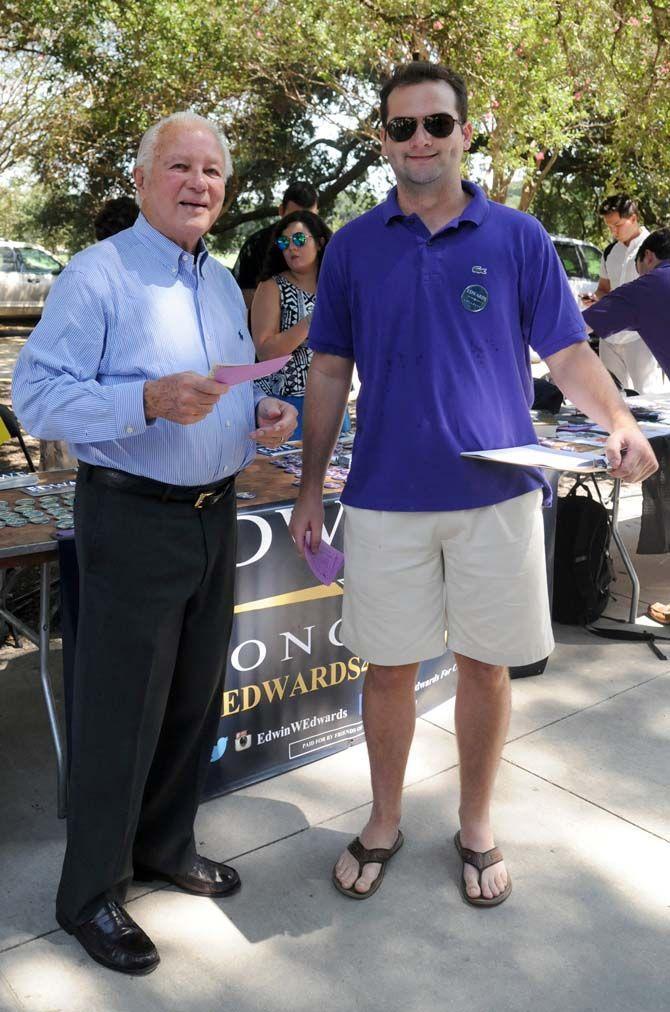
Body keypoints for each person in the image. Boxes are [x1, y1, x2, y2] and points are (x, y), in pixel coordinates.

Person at [289, 61, 657, 908]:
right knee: (387, 671)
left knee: (486, 669)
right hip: (382, 495)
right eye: (403, 126)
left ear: (462, 133)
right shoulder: (351, 246)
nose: (420, 140)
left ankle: (478, 824)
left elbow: (568, 354)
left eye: (437, 124)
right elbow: (330, 370)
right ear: (382, 138)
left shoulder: (518, 237)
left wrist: (619, 422)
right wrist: (313, 488)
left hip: (496, 496)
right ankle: (383, 820)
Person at [12, 111, 297, 976]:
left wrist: (261, 416)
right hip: (133, 517)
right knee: (119, 710)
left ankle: (166, 847)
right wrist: (142, 402)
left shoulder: (218, 284)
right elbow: (38, 401)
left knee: (190, 698)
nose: (199, 184)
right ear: (142, 182)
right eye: (180, 167)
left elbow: (221, 393)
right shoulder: (98, 276)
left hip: (214, 514)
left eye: (212, 171)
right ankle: (90, 894)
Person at [251, 209, 349, 439]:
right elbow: (265, 353)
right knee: (283, 474)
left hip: (334, 398)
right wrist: (310, 321)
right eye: (284, 242)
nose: (291, 247)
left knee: (333, 474)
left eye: (298, 239)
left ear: (320, 242)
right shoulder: (272, 287)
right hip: (285, 402)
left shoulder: (338, 285)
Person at [582, 194, 664, 393]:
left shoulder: (655, 248)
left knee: (648, 397)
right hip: (609, 337)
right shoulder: (610, 252)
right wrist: (596, 299)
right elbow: (604, 289)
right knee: (612, 395)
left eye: (617, 225)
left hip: (640, 337)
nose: (613, 231)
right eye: (609, 226)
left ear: (633, 218)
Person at [232, 181, 319, 309]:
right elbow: (242, 294)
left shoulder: (327, 246)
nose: (300, 225)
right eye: (293, 217)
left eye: (309, 218)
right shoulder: (256, 244)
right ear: (281, 211)